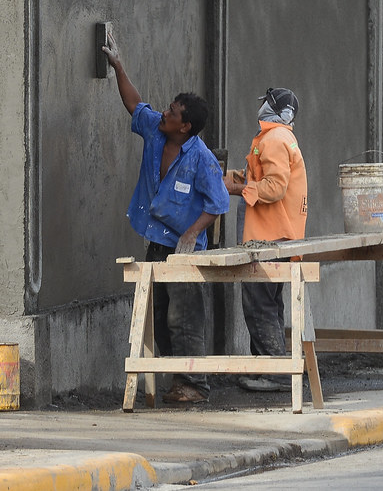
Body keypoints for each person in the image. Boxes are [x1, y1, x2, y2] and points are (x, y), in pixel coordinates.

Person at [102, 33, 229, 404]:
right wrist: (118, 66)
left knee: (184, 317)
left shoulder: (201, 158)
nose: (165, 114)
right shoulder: (156, 133)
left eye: (173, 113)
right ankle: (175, 380)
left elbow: (217, 203)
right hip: (157, 242)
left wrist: (190, 236)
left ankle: (194, 384)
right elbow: (134, 103)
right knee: (157, 315)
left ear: (185, 126)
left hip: (185, 249)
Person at [224, 87, 308, 392]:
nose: (261, 106)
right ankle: (271, 369)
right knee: (270, 304)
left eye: (267, 103)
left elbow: (274, 187)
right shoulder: (279, 137)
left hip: (269, 237)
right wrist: (239, 178)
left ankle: (274, 374)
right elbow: (265, 179)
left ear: (278, 111)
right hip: (278, 236)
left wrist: (238, 189)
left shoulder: (274, 139)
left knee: (259, 303)